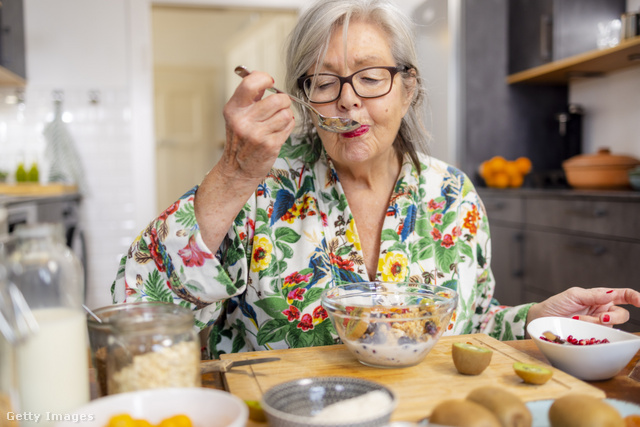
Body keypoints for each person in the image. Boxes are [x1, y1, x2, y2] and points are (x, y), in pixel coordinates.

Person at [112, 0, 640, 358]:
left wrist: (536, 319)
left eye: (370, 76)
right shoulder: (258, 188)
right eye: (325, 82)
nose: (348, 98)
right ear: (303, 97)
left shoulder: (452, 196)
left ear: (407, 89)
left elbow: (471, 325)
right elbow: (134, 311)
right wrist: (233, 173)